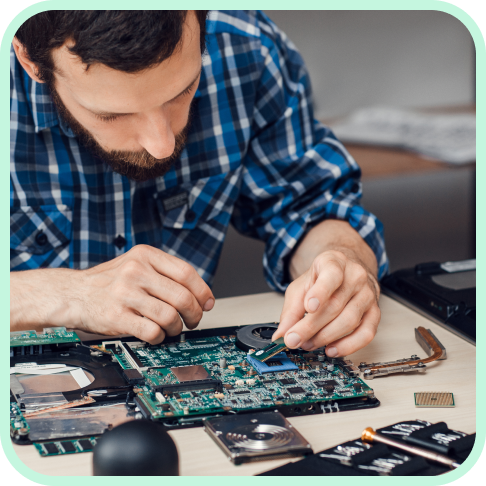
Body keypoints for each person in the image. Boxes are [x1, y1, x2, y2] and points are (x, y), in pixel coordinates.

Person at [10, 10, 388, 358]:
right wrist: (66, 294)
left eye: (183, 91)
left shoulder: (245, 46)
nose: (161, 145)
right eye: (112, 115)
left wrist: (344, 265)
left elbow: (308, 208)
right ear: (31, 61)